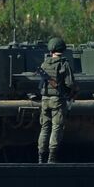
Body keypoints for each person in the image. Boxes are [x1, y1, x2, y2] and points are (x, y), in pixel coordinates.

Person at [36, 36, 77, 164]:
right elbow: (70, 83)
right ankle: (51, 158)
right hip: (57, 100)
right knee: (56, 128)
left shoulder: (44, 63)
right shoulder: (63, 64)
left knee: (44, 127)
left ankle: (41, 157)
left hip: (45, 99)